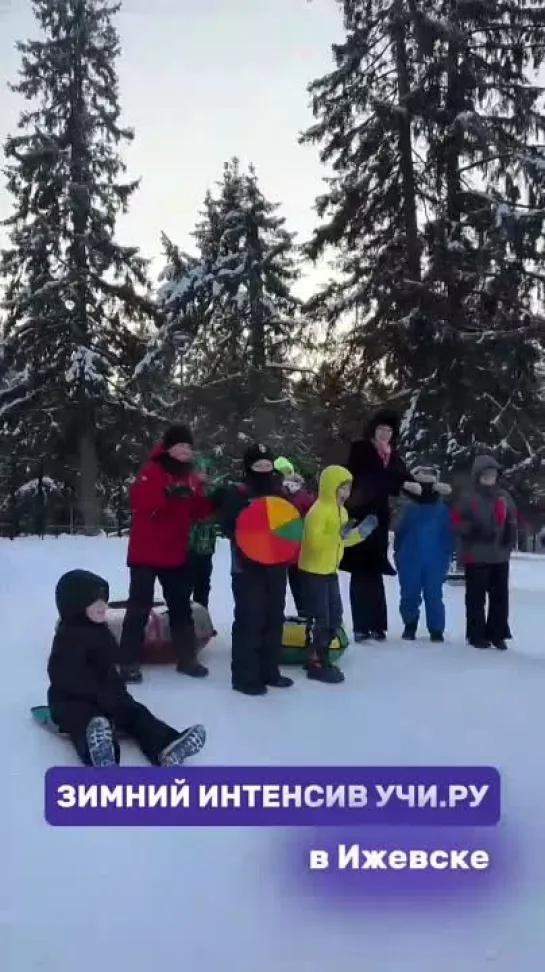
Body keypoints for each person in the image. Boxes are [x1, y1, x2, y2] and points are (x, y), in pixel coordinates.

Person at [47, 570, 206, 766]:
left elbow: (112, 655)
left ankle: (166, 745)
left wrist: (118, 680)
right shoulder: (67, 637)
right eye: (95, 602)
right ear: (76, 605)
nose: (103, 606)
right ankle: (101, 753)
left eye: (104, 600)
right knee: (86, 723)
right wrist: (99, 693)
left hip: (110, 697)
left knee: (137, 714)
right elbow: (61, 676)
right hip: (72, 702)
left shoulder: (100, 629)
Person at [118, 423, 215, 684]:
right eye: (180, 445)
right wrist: (167, 494)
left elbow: (195, 511)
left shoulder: (190, 475)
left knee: (181, 606)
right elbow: (140, 502)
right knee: (139, 607)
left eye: (188, 446)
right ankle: (128, 661)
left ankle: (186, 658)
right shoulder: (153, 470)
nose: (185, 450)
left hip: (174, 552)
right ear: (169, 447)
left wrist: (213, 501)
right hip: (146, 552)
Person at [214, 444, 293, 696]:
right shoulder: (237, 493)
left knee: (273, 617)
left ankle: (270, 670)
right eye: (258, 466)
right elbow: (228, 526)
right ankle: (245, 676)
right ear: (249, 468)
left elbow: (289, 525)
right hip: (247, 567)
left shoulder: (280, 493)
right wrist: (248, 526)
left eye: (267, 466)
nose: (263, 470)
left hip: (276, 564)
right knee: (250, 619)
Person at [298, 465, 378, 683]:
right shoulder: (318, 511)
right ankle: (317, 662)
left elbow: (341, 539)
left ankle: (318, 654)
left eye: (348, 489)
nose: (345, 493)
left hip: (330, 570)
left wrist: (360, 532)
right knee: (322, 618)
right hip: (313, 571)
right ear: (329, 487)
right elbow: (313, 543)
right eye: (341, 488)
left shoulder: (341, 511)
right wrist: (337, 534)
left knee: (335, 617)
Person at [340, 409, 413, 641]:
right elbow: (369, 478)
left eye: (389, 430)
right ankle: (361, 626)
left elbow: (405, 481)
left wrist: (427, 489)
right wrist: (396, 480)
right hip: (360, 514)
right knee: (361, 571)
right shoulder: (362, 449)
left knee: (375, 571)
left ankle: (378, 625)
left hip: (380, 519)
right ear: (373, 430)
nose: (385, 434)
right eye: (381, 429)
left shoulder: (393, 456)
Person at [452, 455, 517, 650]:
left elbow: (513, 518)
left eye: (493, 474)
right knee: (476, 597)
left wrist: (510, 535)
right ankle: (476, 634)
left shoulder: (504, 496)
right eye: (486, 474)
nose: (490, 478)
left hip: (499, 555)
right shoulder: (468, 497)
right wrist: (472, 529)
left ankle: (498, 634)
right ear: (478, 476)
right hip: (476, 555)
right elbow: (456, 521)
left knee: (500, 598)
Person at [393, 462, 454, 642]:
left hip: (436, 559)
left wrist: (447, 553)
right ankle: (410, 624)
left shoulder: (443, 510)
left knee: (433, 594)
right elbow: (400, 532)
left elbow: (449, 534)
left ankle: (436, 629)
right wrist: (398, 553)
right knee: (409, 593)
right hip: (410, 558)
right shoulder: (409, 508)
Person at [274, 456, 315, 616]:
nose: (286, 476)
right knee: (278, 587)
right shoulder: (277, 493)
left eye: (288, 472)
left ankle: (306, 615)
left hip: (298, 548)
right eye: (281, 472)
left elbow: (311, 516)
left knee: (300, 586)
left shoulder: (302, 496)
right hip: (280, 548)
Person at [187, 454, 222, 612]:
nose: (203, 474)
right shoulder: (186, 488)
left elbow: (217, 512)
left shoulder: (211, 490)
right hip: (188, 545)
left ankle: (202, 617)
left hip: (206, 545)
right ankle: (185, 619)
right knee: (185, 584)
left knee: (203, 584)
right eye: (199, 470)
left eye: (205, 470)